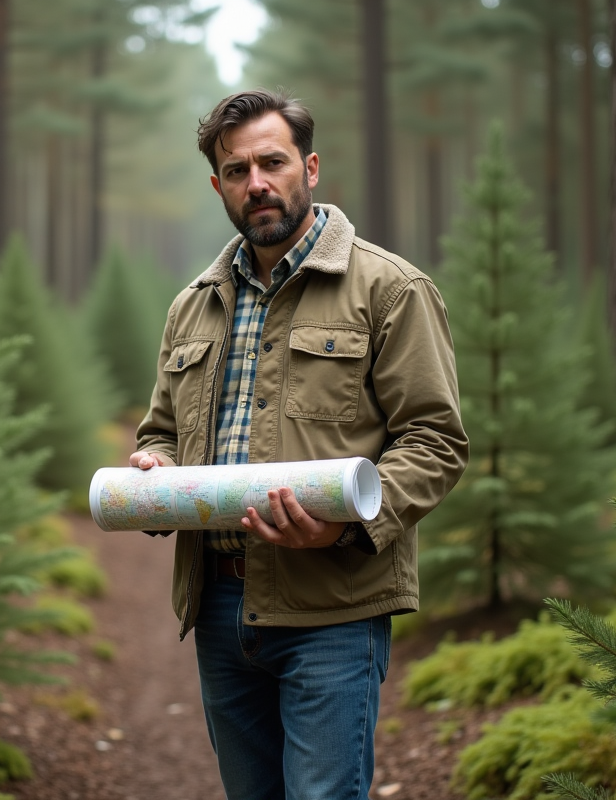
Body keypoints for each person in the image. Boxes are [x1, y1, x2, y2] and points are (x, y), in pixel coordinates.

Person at [129, 89, 468, 800]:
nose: (256, 183)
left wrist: (349, 522)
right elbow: (161, 427)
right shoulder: (193, 302)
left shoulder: (389, 289)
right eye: (236, 170)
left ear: (309, 167)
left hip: (333, 611)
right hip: (219, 610)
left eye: (272, 162)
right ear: (217, 184)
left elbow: (435, 440)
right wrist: (154, 466)